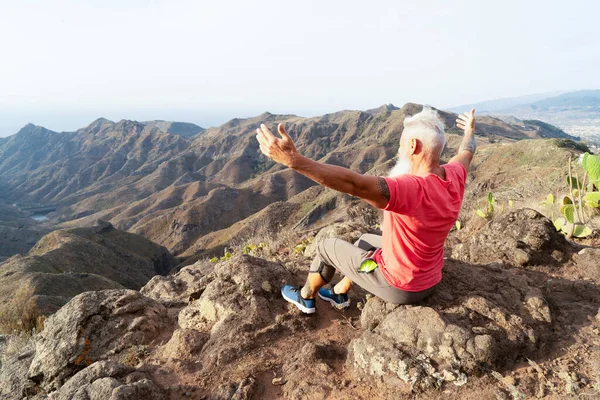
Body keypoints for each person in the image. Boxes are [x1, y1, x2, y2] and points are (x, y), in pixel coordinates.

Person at [255, 106, 476, 314]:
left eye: (401, 145)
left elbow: (354, 184)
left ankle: (305, 297)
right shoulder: (454, 174)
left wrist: (293, 161)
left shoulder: (409, 188)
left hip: (402, 287)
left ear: (412, 146)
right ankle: (338, 293)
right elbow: (467, 149)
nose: (399, 150)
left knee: (326, 247)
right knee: (364, 241)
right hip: (430, 277)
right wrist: (469, 130)